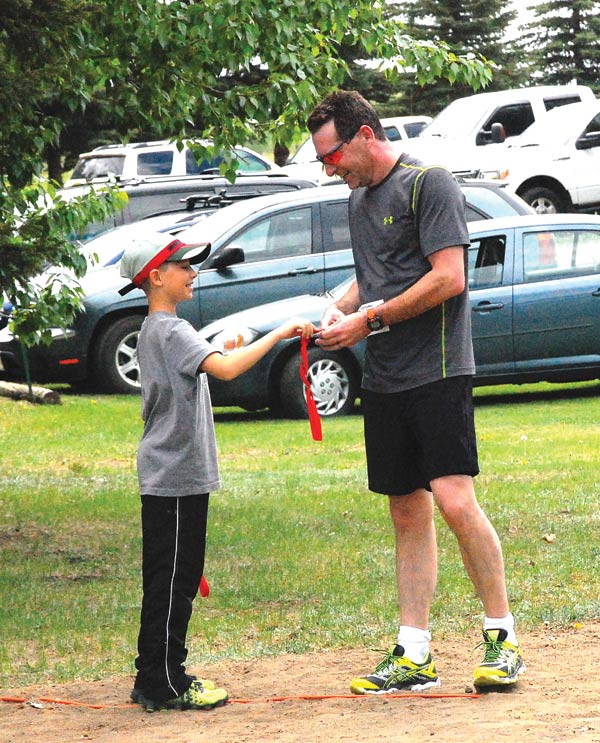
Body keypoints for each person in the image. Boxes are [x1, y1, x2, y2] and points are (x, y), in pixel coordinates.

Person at [307, 90, 525, 694]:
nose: (331, 170)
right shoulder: (358, 200)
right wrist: (331, 311)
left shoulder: (430, 184)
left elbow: (448, 277)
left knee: (455, 502)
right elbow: (372, 275)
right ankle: (414, 654)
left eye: (333, 156)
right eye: (324, 161)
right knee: (406, 510)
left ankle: (503, 639)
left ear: (366, 135)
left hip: (438, 368)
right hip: (385, 378)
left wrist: (368, 322)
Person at [118, 231, 315, 712]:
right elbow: (225, 370)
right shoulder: (172, 331)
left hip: (168, 474)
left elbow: (204, 363)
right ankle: (164, 681)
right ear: (157, 277)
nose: (193, 273)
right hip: (177, 475)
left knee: (168, 578)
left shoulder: (155, 330)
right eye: (184, 267)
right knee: (174, 581)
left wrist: (218, 347)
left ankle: (155, 673)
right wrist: (278, 334)